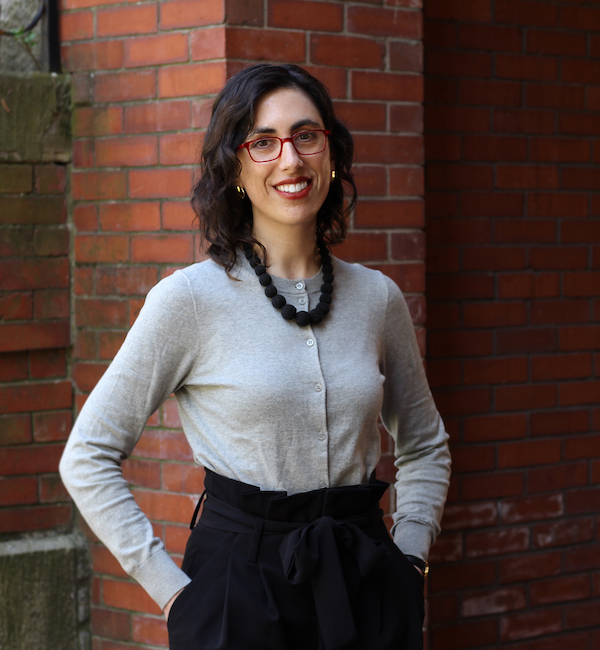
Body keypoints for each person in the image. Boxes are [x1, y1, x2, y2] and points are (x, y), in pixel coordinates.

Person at [60, 63, 451, 650]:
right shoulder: (189, 300)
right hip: (237, 593)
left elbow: (424, 444)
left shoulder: (377, 298)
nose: (290, 159)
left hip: (365, 583)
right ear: (235, 168)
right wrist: (175, 593)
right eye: (263, 142)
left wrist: (412, 558)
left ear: (331, 154)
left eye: (306, 136)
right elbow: (87, 455)